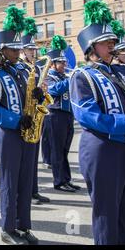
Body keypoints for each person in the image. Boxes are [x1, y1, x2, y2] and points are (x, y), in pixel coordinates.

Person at [70, 0, 125, 244]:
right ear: (91, 48)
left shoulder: (124, 71)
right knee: (106, 215)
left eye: (113, 41)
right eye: (107, 42)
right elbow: (89, 116)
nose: (113, 46)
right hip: (103, 150)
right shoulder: (81, 76)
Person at [0, 6, 43, 245]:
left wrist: (37, 95)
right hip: (8, 134)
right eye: (13, 49)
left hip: (27, 131)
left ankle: (23, 226)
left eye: (19, 49)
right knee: (10, 181)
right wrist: (16, 120)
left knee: (26, 180)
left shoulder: (21, 70)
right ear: (1, 50)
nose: (18, 53)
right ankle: (7, 229)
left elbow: (27, 96)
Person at [21, 16, 50, 205]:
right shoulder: (20, 68)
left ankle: (34, 189)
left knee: (33, 157)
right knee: (24, 161)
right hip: (24, 115)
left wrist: (42, 94)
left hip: (36, 114)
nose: (33, 52)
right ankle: (25, 191)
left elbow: (40, 91)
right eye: (30, 49)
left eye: (34, 49)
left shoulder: (37, 68)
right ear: (22, 50)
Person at [44, 35, 79, 193]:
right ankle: (58, 181)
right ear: (52, 63)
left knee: (65, 150)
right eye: (61, 62)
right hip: (55, 115)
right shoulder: (48, 77)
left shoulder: (64, 76)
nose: (65, 64)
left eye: (64, 62)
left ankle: (66, 179)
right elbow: (54, 90)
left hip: (67, 115)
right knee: (57, 150)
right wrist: (70, 79)